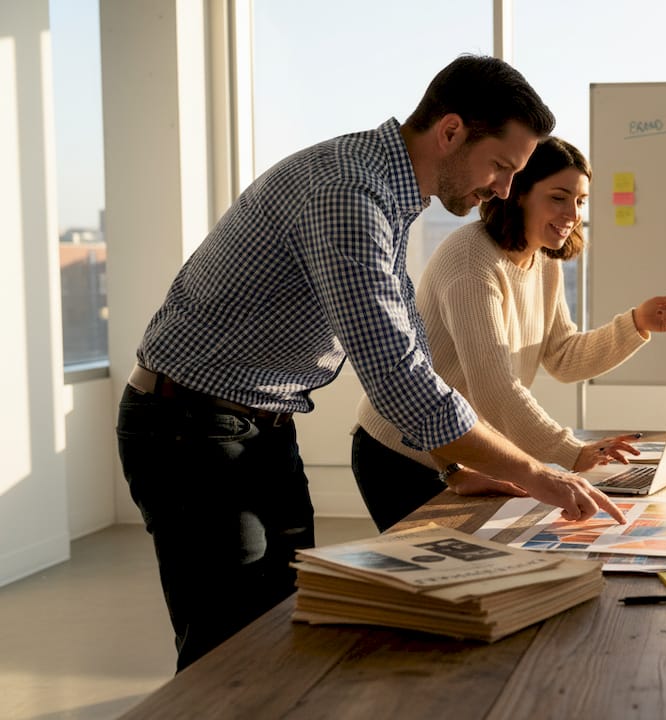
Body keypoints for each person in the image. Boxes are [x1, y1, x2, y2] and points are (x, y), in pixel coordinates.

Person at [115, 55, 626, 673]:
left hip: (259, 423)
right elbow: (395, 374)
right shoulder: (350, 193)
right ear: (451, 131)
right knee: (229, 648)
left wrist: (450, 463)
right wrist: (542, 474)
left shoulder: (387, 190)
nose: (502, 189)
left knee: (279, 626)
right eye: (500, 166)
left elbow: (407, 340)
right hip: (188, 426)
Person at [352, 136, 666, 531]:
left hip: (458, 454)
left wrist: (636, 324)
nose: (573, 213)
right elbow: (495, 388)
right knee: (433, 583)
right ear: (519, 194)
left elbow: (563, 357)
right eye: (559, 197)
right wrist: (570, 452)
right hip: (401, 453)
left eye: (581, 200)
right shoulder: (471, 259)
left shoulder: (543, 262)